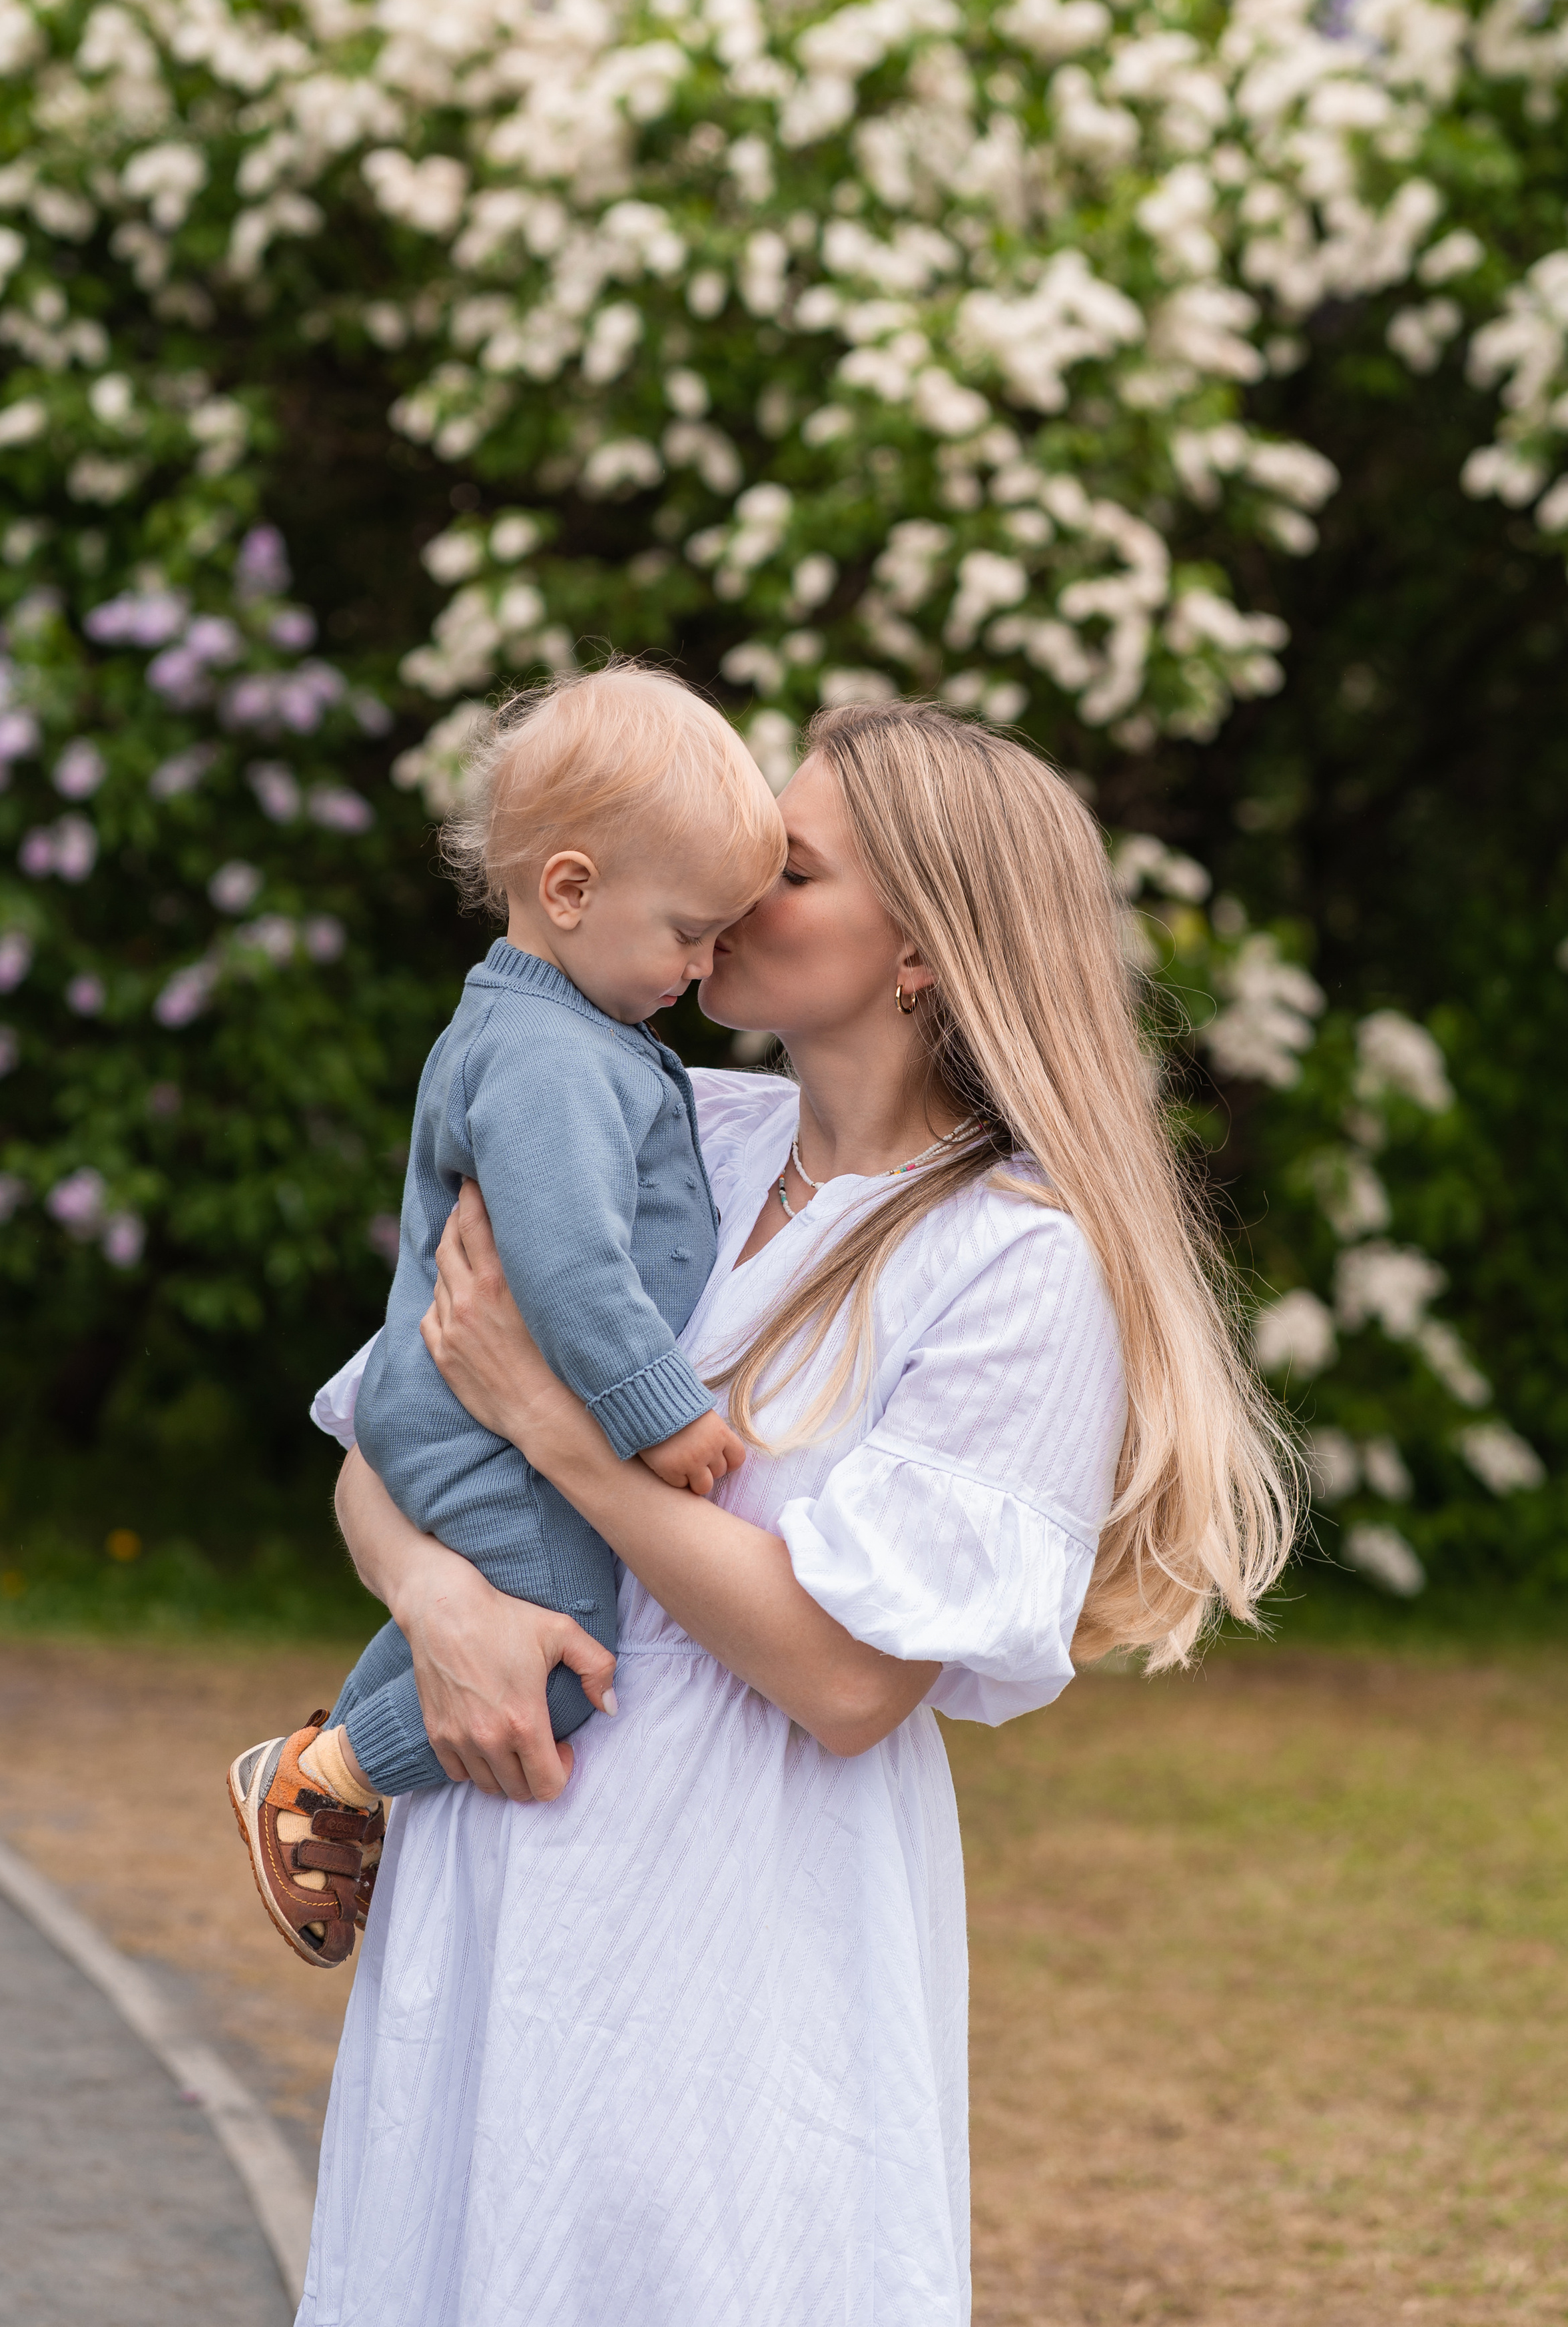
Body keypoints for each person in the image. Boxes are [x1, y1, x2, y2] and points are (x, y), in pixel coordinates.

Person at [296, 700, 1297, 2327]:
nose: (733, 887)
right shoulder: (654, 1112)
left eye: (792, 868)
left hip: (737, 1923)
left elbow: (844, 1683)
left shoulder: (1012, 1259)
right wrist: (439, 1605)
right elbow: (386, 1434)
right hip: (498, 1840)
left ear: (921, 950)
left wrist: (559, 1434)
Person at [227, 663, 784, 1971]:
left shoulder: (565, 1029)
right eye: (690, 932)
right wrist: (661, 1418)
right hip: (474, 1424)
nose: (705, 965)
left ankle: (321, 1764)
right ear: (571, 889)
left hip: (465, 1415)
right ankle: (329, 1776)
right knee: (560, 1661)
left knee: (520, 1613)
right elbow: (568, 1267)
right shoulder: (547, 1057)